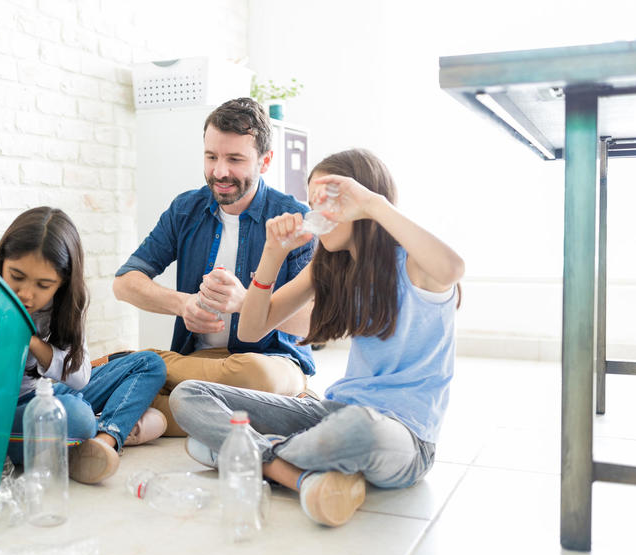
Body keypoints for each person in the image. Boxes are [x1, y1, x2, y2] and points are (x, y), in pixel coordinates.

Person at [169, 148, 464, 527]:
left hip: (402, 437)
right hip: (333, 414)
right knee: (189, 394)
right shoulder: (330, 265)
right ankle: (297, 473)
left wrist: (373, 204)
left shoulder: (413, 263)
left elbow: (453, 268)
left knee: (358, 428)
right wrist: (273, 254)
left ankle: (245, 455)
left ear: (363, 203)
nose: (314, 216)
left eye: (328, 204)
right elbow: (251, 329)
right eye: (311, 204)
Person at [113, 97, 317, 436]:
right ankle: (157, 407)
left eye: (234, 159)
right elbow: (124, 282)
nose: (219, 172)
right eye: (211, 157)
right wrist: (183, 303)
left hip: (271, 364)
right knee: (237, 398)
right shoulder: (185, 210)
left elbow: (314, 321)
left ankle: (141, 374)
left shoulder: (293, 218)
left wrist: (248, 303)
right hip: (200, 362)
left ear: (265, 161)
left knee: (257, 377)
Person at [0, 206, 169, 484]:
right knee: (78, 417)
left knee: (149, 363)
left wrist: (30, 341)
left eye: (44, 284)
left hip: (41, 394)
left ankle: (101, 440)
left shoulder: (63, 305)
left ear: (61, 283)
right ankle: (101, 431)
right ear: (2, 260)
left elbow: (80, 377)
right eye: (16, 276)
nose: (27, 294)